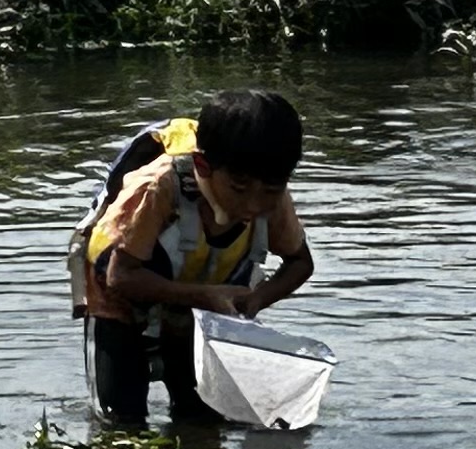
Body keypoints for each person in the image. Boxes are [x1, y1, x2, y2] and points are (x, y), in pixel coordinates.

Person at [71, 87, 315, 424]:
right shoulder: (157, 189)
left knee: (203, 419)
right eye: (239, 189)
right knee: (120, 422)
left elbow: (300, 263)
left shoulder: (271, 193)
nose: (253, 206)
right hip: (119, 299)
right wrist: (204, 295)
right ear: (203, 165)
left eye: (270, 192)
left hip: (199, 308)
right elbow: (120, 276)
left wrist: (256, 300)